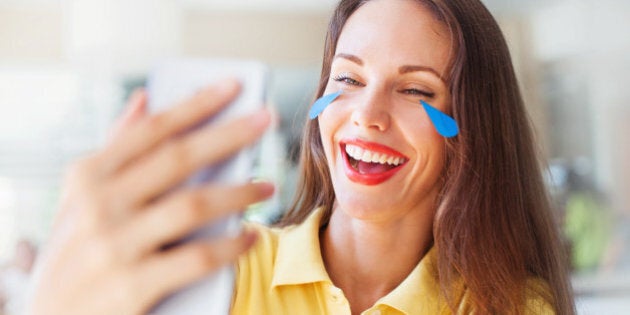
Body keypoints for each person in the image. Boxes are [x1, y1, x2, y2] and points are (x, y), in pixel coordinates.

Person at [27, 0, 575, 314]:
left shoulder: (510, 305)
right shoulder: (224, 268)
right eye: (348, 78)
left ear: (469, 130)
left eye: (416, 91)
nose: (366, 114)